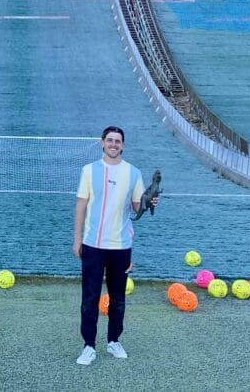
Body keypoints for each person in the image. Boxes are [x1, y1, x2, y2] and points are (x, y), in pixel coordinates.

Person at [72, 125, 157, 365]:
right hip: (92, 245)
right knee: (89, 298)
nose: (113, 144)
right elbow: (81, 205)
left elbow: (137, 207)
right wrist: (77, 239)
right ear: (102, 143)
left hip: (121, 247)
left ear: (123, 145)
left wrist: (150, 202)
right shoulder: (89, 171)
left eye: (118, 141)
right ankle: (89, 346)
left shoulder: (133, 173)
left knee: (118, 299)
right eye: (110, 140)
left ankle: (113, 341)